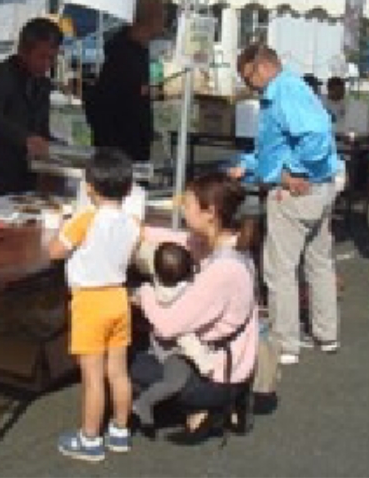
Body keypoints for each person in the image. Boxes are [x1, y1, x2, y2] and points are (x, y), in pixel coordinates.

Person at [230, 44, 339, 366]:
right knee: (319, 263)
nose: (248, 85)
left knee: (280, 268)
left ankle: (285, 342)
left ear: (261, 67)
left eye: (248, 77)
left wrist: (295, 169)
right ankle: (326, 333)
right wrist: (250, 165)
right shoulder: (293, 89)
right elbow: (279, 145)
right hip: (321, 185)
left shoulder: (283, 92)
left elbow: (316, 134)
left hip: (294, 193)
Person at [132, 172, 259, 444]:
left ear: (210, 212)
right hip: (234, 360)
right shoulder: (232, 245)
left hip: (219, 375)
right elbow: (183, 240)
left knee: (129, 360)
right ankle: (217, 404)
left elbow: (166, 325)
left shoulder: (223, 270)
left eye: (187, 205)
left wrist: (143, 294)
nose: (182, 209)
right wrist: (140, 231)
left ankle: (204, 405)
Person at [48, 148, 141, 462]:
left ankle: (89, 437)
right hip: (118, 296)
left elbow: (55, 252)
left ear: (89, 187)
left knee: (92, 376)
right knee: (118, 371)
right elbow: (127, 257)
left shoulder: (85, 220)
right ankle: (119, 429)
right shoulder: (133, 224)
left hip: (89, 301)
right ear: (128, 188)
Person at [0, 17, 63, 196]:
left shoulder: (42, 85)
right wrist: (25, 138)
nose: (46, 64)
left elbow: (41, 128)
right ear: (23, 51)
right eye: (41, 57)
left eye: (51, 58)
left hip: (25, 178)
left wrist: (54, 146)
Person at [130, 242, 213, 433]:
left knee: (176, 380)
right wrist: (205, 364)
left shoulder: (150, 290)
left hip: (161, 347)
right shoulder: (188, 294)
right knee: (176, 381)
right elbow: (188, 340)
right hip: (177, 352)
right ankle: (145, 402)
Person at [84, 0, 167, 162]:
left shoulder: (138, 52)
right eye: (162, 16)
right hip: (120, 152)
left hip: (133, 148)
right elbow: (104, 104)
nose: (165, 22)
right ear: (150, 19)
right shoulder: (122, 57)